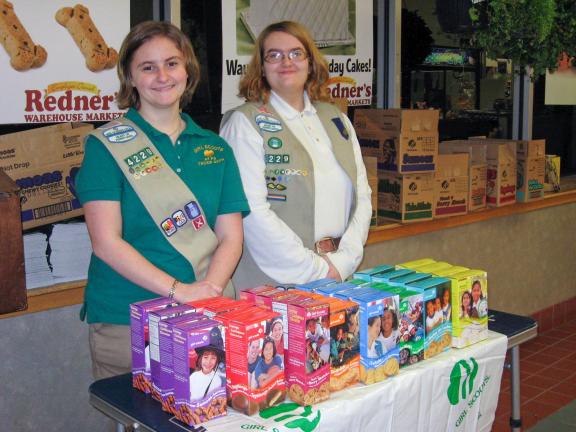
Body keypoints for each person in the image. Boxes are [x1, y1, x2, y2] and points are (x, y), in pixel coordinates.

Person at [75, 21, 249, 380]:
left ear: (187, 70)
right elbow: (106, 242)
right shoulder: (104, 147)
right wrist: (180, 292)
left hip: (207, 312)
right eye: (147, 67)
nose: (162, 76)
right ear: (130, 77)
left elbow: (231, 236)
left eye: (172, 63)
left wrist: (209, 292)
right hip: (129, 319)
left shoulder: (216, 148)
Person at [220, 20, 372, 291]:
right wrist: (316, 269)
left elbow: (362, 194)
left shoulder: (336, 119)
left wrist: (345, 260)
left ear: (311, 62)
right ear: (262, 67)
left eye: (296, 53)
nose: (286, 62)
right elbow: (251, 211)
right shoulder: (245, 123)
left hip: (337, 274)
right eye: (274, 55)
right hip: (274, 283)